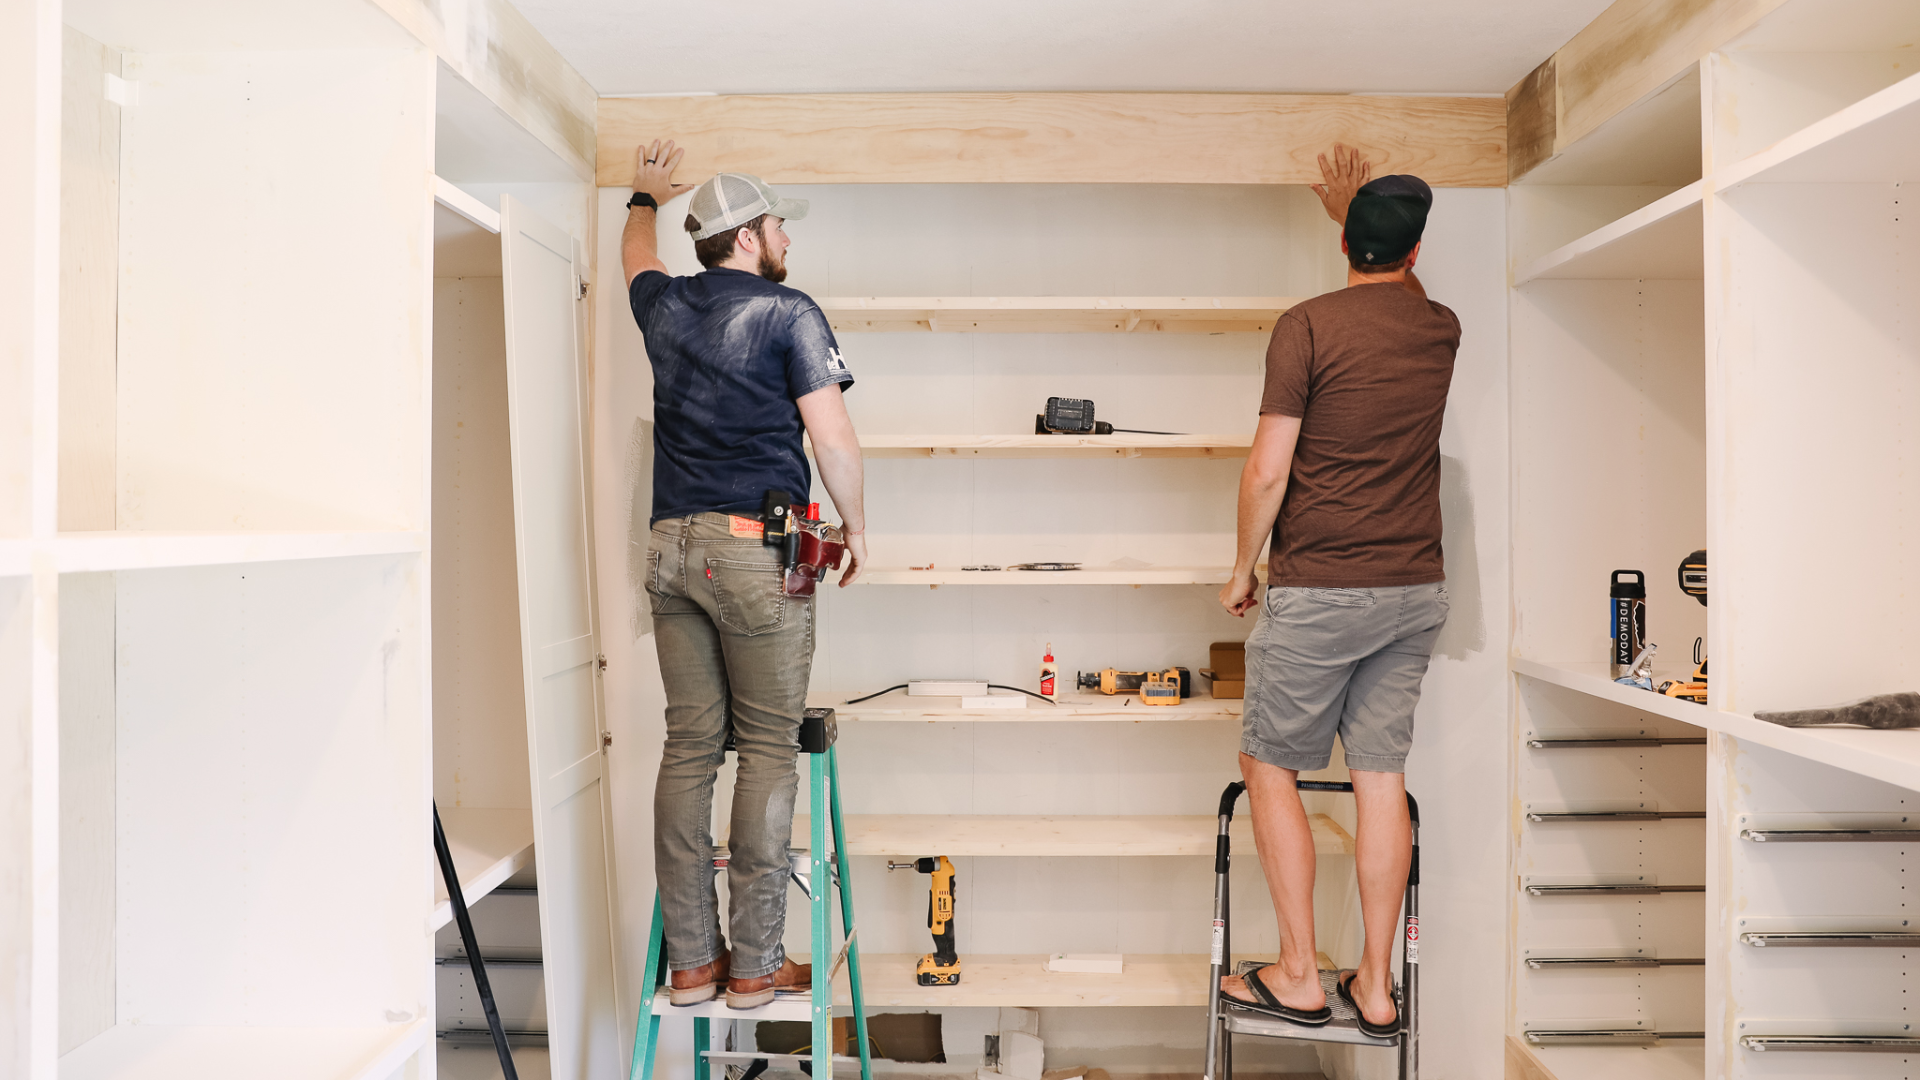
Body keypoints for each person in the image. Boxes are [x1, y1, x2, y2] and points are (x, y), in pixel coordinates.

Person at [1215, 146, 1458, 1037]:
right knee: (1379, 776)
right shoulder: (1441, 327)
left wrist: (1244, 569)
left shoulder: (1306, 325)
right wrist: (1358, 218)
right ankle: (1377, 986)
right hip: (1414, 587)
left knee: (1269, 763)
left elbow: (1268, 468)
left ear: (1347, 244)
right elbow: (1399, 293)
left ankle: (1296, 972)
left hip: (1321, 586)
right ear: (1416, 253)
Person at [622, 139, 868, 1009]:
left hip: (669, 549)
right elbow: (831, 436)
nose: (788, 242)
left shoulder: (664, 306)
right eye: (778, 227)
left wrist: (641, 196)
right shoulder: (788, 311)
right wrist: (859, 529)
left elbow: (636, 259)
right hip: (750, 551)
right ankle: (756, 967)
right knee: (766, 747)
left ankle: (692, 964)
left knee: (690, 747)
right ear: (749, 235)